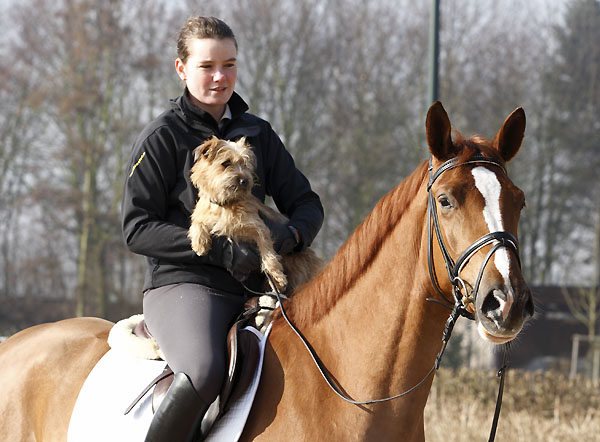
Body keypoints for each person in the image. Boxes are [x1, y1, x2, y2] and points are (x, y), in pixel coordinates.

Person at [121, 16, 324, 442]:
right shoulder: (162, 137)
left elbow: (307, 204)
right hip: (186, 285)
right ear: (181, 68)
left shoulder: (258, 135)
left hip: (260, 283)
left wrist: (288, 239)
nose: (220, 77)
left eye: (229, 64)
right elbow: (137, 228)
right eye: (207, 66)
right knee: (203, 370)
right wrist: (216, 251)